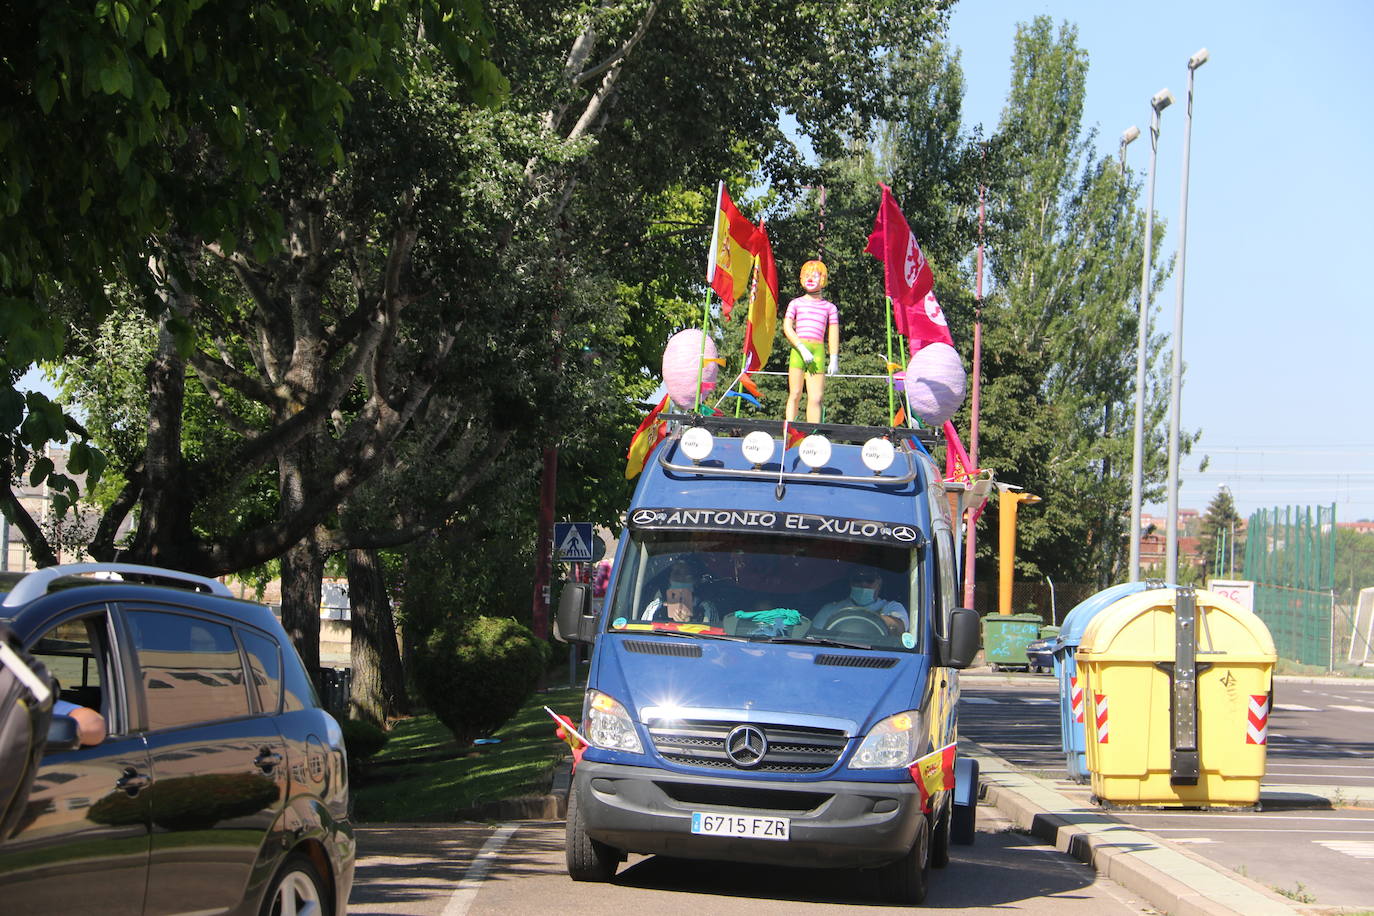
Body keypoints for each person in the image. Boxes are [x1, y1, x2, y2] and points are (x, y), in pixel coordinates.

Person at [784, 259, 840, 423]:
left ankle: (813, 433)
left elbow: (833, 333)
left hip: (817, 352)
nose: (810, 279)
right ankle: (790, 428)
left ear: (822, 279)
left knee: (816, 397)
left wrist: (834, 358)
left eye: (815, 275)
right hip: (798, 351)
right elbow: (787, 327)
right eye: (807, 275)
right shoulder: (795, 303)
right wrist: (801, 347)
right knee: (795, 393)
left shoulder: (830, 308)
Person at [811, 568, 908, 634]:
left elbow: (899, 629)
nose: (863, 584)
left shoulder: (892, 607)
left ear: (879, 582)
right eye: (857, 579)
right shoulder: (830, 609)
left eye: (869, 580)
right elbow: (814, 637)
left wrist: (861, 615)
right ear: (850, 582)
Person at [641, 560, 719, 625]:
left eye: (687, 574)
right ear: (669, 579)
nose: (681, 578)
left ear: (695, 581)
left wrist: (689, 624)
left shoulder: (706, 608)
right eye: (677, 574)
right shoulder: (655, 607)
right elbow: (643, 635)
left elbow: (710, 640)